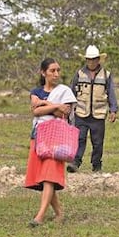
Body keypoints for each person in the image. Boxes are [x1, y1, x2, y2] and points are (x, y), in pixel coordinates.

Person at [25, 58, 76, 226]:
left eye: (58, 70)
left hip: (56, 137)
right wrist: (54, 106)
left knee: (49, 176)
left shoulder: (65, 91)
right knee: (44, 176)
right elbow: (35, 111)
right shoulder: (35, 91)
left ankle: (39, 216)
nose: (56, 74)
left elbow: (64, 113)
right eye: (52, 70)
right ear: (43, 72)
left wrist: (45, 104)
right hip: (39, 136)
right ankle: (59, 213)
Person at [67, 45, 118, 173]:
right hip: (81, 113)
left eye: (94, 59)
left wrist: (113, 110)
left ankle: (96, 165)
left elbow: (111, 93)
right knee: (80, 138)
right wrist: (68, 107)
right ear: (86, 60)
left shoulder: (106, 75)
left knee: (98, 142)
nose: (92, 62)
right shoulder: (79, 74)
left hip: (98, 114)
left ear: (98, 59)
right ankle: (75, 162)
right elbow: (72, 91)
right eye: (89, 59)